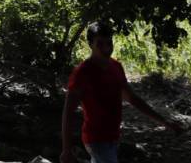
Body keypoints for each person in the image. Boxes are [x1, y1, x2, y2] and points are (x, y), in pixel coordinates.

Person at [61, 21, 184, 163]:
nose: (106, 48)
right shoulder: (82, 73)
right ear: (90, 44)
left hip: (113, 137)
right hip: (96, 139)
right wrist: (66, 149)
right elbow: (68, 113)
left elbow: (133, 99)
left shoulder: (116, 67)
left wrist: (165, 122)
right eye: (100, 44)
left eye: (109, 43)